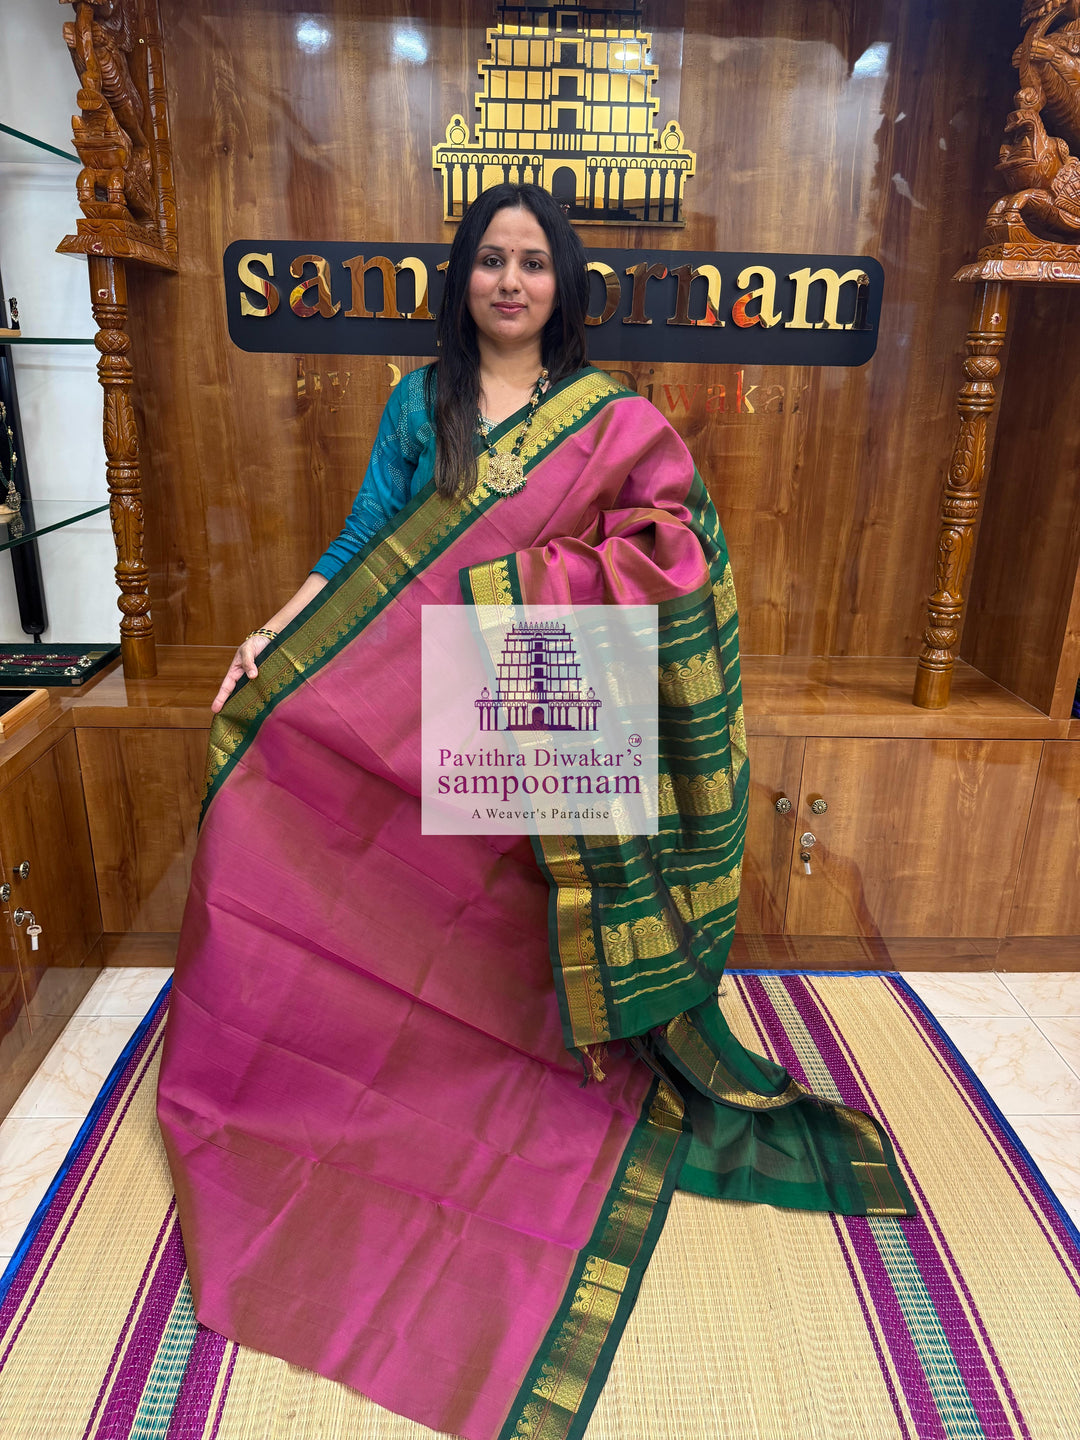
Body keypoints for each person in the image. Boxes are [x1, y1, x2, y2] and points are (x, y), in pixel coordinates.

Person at [158, 184, 914, 1440]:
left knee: (522, 894)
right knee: (421, 889)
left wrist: (550, 576)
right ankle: (409, 1064)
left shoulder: (609, 414)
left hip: (550, 678)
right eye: (491, 260)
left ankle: (544, 1057)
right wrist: (275, 635)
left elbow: (677, 542)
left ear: (562, 283)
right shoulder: (424, 402)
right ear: (463, 278)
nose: (511, 281)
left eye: (533, 263)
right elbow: (365, 543)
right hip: (426, 682)